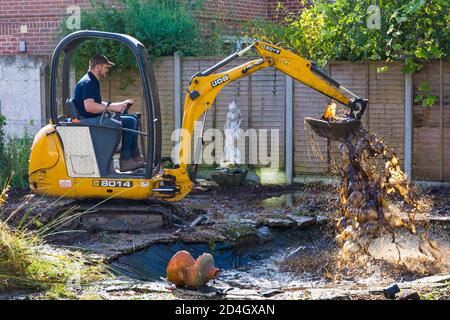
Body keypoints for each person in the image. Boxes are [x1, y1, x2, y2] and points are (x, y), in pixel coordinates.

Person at [72, 54, 144, 172]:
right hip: (90, 122)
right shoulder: (88, 82)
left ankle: (134, 156)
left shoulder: (91, 80)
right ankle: (125, 160)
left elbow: (97, 103)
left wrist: (117, 105)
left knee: (132, 118)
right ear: (98, 67)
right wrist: (113, 108)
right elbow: (89, 106)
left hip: (93, 119)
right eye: (106, 67)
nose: (107, 70)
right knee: (130, 122)